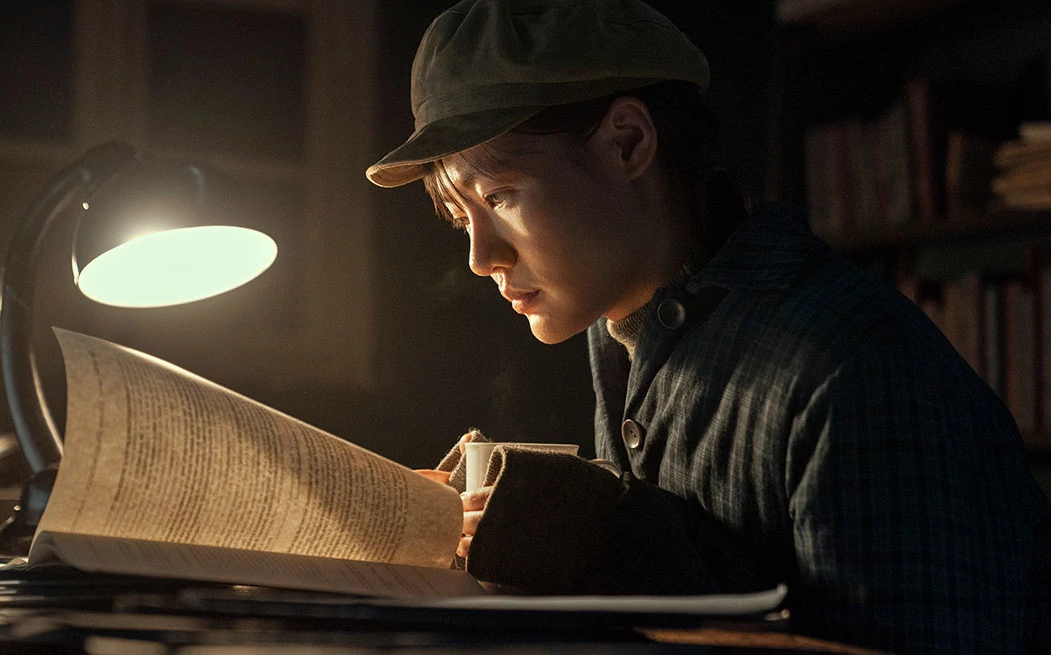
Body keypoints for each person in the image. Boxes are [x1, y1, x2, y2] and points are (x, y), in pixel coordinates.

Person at [365, 0, 1051, 652]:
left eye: (501, 196)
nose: (482, 258)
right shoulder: (622, 327)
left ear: (626, 143)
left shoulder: (856, 370)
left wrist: (611, 542)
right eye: (462, 219)